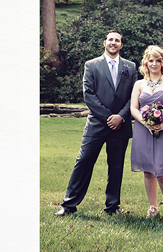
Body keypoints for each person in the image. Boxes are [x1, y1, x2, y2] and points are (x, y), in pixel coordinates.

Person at [55, 30, 137, 216]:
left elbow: (134, 96)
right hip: (97, 124)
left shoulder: (130, 67)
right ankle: (68, 205)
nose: (113, 43)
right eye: (110, 39)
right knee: (83, 161)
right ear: (104, 42)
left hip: (121, 125)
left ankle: (112, 206)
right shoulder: (91, 65)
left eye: (117, 40)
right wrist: (110, 117)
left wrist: (121, 117)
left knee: (116, 166)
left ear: (121, 45)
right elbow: (88, 95)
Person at [129, 45, 163, 220]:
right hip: (144, 131)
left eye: (158, 60)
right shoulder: (139, 84)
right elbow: (133, 108)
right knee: (148, 171)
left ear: (162, 62)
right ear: (146, 63)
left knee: (162, 170)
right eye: (151, 60)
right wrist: (146, 124)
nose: (154, 64)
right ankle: (153, 207)